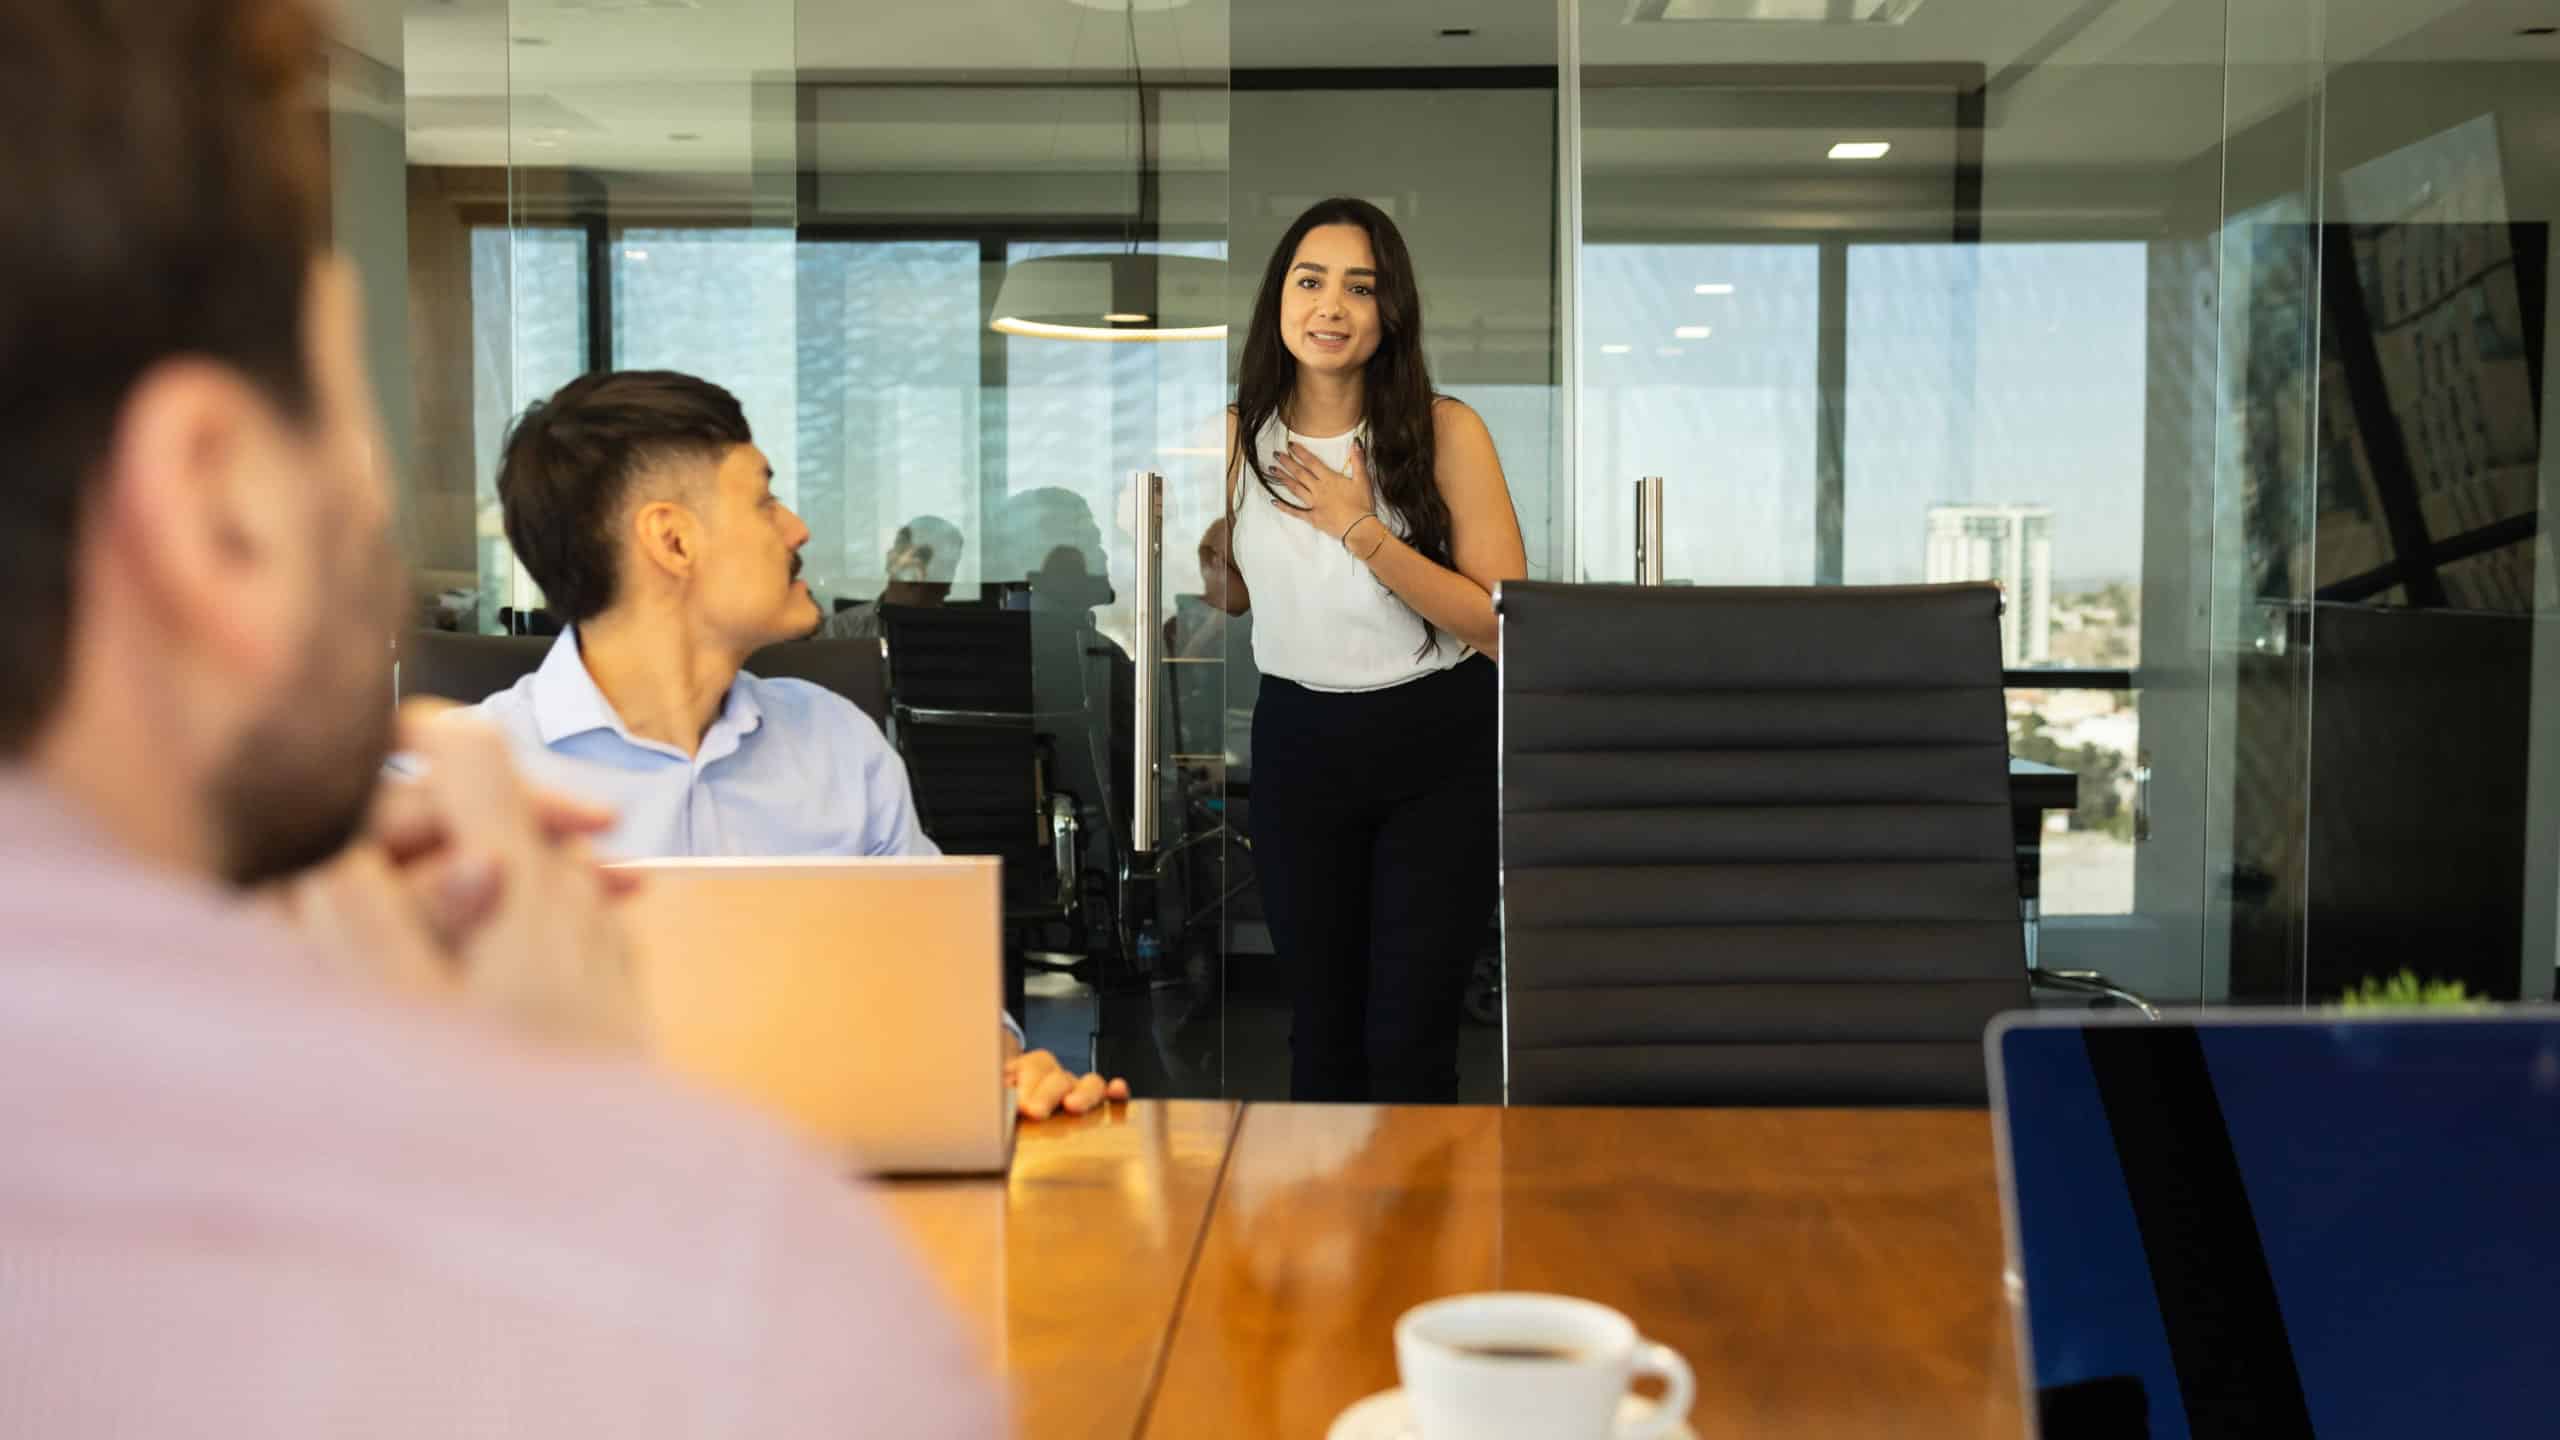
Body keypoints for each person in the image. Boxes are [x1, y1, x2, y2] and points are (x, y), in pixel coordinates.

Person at [0, 2, 1001, 1434]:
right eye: (343, 415)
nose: (379, 513)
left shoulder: (833, 745)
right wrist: (541, 1135)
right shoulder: (730, 1302)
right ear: (214, 504)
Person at [477, 369, 1127, 1118]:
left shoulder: (836, 745)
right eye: (762, 499)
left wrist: (1006, 1072)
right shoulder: (462, 790)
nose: (797, 528)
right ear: (673, 539)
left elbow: (942, 1000)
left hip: (843, 1193)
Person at [1209, 197, 1528, 1104]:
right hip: (1300, 740)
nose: (1331, 306)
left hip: (1436, 743)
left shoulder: (1444, 430)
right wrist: (1213, 566)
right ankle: (1331, 1245)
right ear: (1280, 300)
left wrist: (1362, 531)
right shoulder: (1237, 437)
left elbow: (1501, 626)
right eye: (1310, 281)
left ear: (1391, 312)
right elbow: (1237, 596)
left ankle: (1419, 1247)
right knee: (1320, 1032)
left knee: (1409, 1037)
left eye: (1361, 286)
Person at [821, 513, 965, 642]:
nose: (923, 571)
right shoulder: (840, 630)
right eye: (920, 556)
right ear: (891, 559)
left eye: (946, 565)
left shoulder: (961, 637)